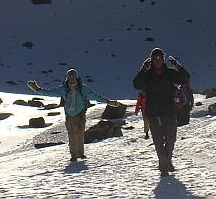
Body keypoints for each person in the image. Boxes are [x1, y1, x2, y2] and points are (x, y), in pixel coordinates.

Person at [28, 68, 119, 162]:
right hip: (69, 116)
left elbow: (95, 96)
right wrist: (37, 89)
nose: (72, 79)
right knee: (72, 135)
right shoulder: (63, 89)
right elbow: (50, 93)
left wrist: (108, 102)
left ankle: (80, 153)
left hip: (80, 115)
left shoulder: (82, 88)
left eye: (73, 77)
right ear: (67, 79)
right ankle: (74, 155)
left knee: (80, 134)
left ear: (76, 78)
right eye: (70, 78)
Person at [133, 48, 190, 176]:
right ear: (151, 60)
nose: (158, 61)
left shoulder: (170, 73)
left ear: (163, 59)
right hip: (153, 115)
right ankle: (164, 168)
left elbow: (185, 79)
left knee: (170, 141)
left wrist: (177, 66)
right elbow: (136, 84)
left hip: (169, 113)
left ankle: (166, 161)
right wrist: (142, 70)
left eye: (160, 58)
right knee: (158, 143)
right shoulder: (147, 75)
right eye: (155, 59)